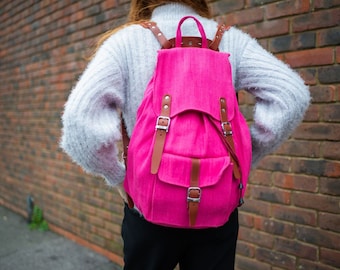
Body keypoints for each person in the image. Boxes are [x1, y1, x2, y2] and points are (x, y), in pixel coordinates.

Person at [60, 0, 310, 269]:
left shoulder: (126, 41)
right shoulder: (231, 41)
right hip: (217, 203)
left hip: (148, 208)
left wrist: (119, 177)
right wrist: (244, 159)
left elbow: (79, 119)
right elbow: (292, 95)